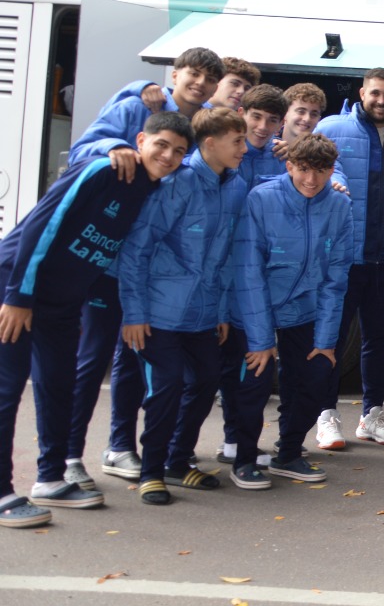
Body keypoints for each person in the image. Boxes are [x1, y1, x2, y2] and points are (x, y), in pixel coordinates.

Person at [0, 112, 191, 527]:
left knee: (57, 385)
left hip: (63, 304)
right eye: (162, 144)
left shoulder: (153, 190)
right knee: (7, 388)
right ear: (141, 140)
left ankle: (50, 478)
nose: (169, 155)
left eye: (179, 151)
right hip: (16, 289)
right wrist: (17, 296)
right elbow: (42, 227)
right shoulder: (105, 171)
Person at [117, 108, 249, 505]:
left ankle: (177, 461)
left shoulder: (235, 186)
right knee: (168, 384)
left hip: (203, 314)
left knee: (207, 379)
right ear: (210, 143)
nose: (244, 148)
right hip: (158, 314)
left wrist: (222, 311)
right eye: (237, 141)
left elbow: (227, 256)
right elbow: (137, 250)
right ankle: (151, 471)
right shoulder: (177, 184)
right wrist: (134, 314)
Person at [227, 133, 354, 491]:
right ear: (289, 166)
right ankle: (245, 459)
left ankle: (289, 450)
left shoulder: (340, 206)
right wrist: (261, 339)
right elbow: (249, 271)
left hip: (305, 309)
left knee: (316, 376)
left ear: (332, 170)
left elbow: (336, 278)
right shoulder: (261, 198)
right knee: (254, 382)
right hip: (257, 307)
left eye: (320, 171)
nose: (311, 180)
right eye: (302, 170)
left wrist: (327, 342)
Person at [315, 67, 384, 449]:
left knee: (379, 340)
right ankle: (327, 416)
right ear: (362, 93)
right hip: (344, 258)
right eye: (375, 93)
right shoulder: (331, 128)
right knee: (332, 336)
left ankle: (371, 415)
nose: (381, 101)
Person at [69, 48, 219, 171]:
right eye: (194, 74)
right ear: (174, 76)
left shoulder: (210, 125)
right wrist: (113, 147)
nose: (200, 82)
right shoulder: (134, 107)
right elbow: (77, 154)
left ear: (215, 90)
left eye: (210, 79)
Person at [236, 84, 288, 190]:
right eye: (256, 117)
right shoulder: (222, 151)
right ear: (241, 114)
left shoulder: (283, 157)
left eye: (272, 120)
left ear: (281, 124)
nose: (263, 127)